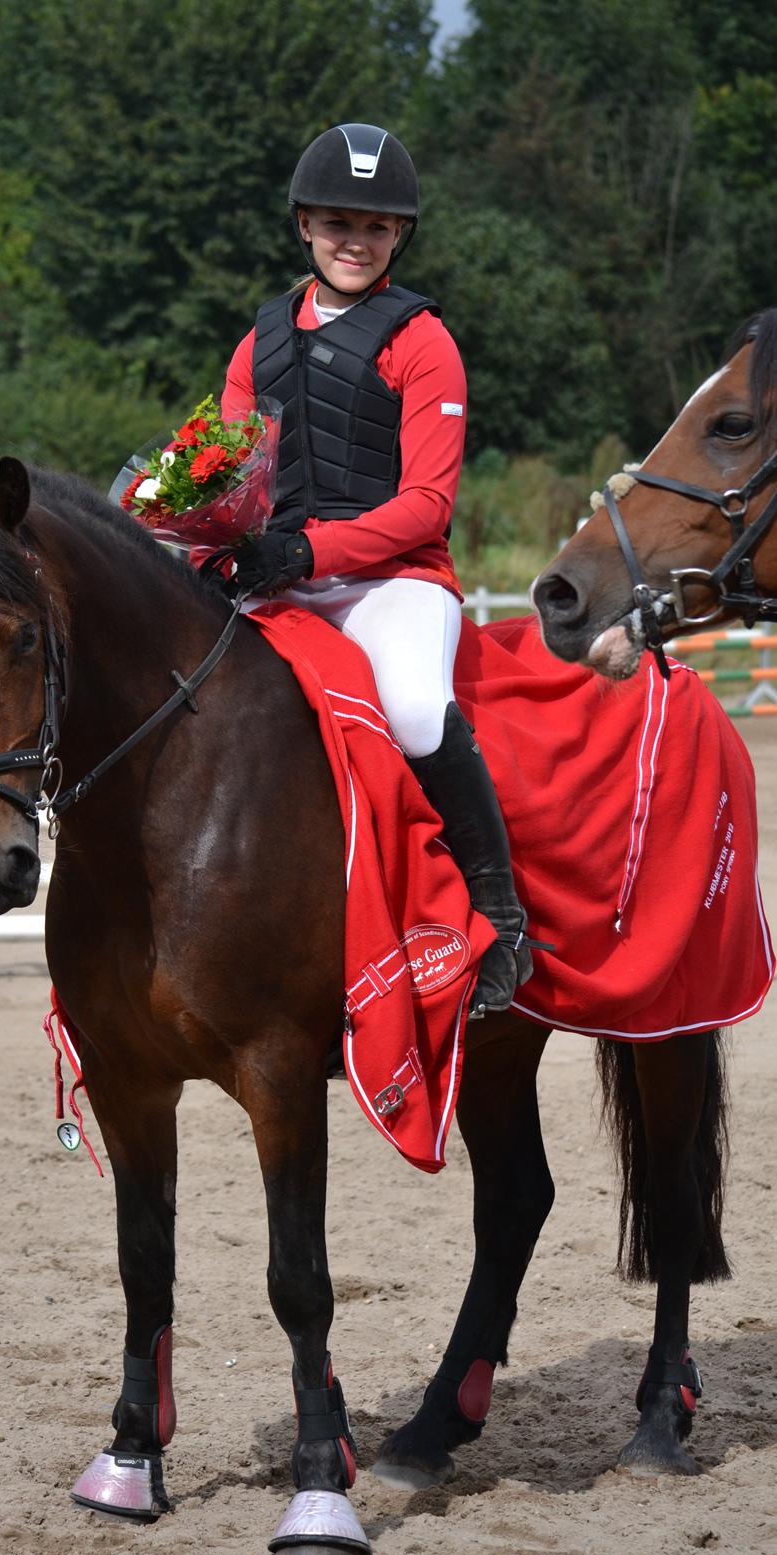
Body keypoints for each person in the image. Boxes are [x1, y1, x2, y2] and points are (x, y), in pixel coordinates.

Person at [222, 121, 536, 1017]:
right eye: (336, 223)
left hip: (394, 582)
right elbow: (233, 475)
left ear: (399, 235)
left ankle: (499, 917)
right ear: (303, 225)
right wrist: (210, 543)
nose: (354, 242)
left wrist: (308, 551)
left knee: (411, 708)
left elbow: (426, 505)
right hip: (280, 575)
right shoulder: (258, 341)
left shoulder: (423, 341)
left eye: (375, 227)